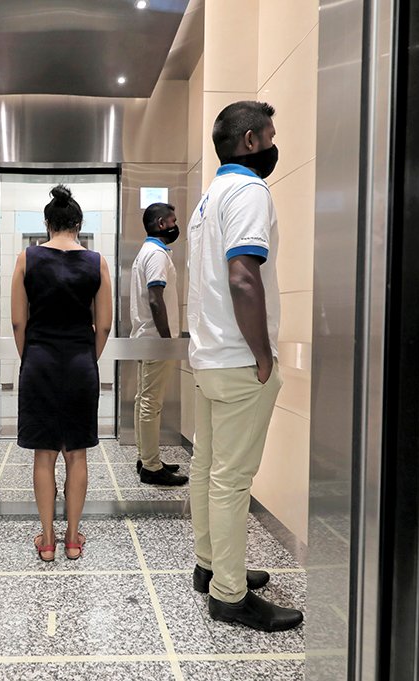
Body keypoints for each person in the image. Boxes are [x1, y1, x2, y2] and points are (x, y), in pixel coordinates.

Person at [185, 101, 303, 631]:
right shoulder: (251, 191)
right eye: (272, 134)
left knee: (208, 471)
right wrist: (262, 354)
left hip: (208, 358)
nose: (276, 144)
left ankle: (211, 567)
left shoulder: (208, 198)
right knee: (232, 480)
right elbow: (242, 277)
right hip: (238, 360)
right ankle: (229, 597)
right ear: (252, 140)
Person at [12, 185, 112, 562]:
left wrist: (30, 357)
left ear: (47, 223)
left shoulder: (26, 258)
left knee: (44, 454)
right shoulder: (96, 262)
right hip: (80, 363)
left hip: (38, 361)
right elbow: (103, 325)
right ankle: (73, 539)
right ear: (78, 224)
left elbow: (18, 321)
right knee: (77, 454)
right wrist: (89, 356)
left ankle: (48, 540)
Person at [130, 202, 189, 487]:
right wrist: (167, 341)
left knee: (145, 400)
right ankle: (151, 467)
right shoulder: (155, 254)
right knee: (151, 403)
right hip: (156, 340)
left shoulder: (149, 251)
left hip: (147, 339)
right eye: (173, 220)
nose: (176, 224)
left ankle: (146, 457)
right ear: (161, 224)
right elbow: (156, 299)